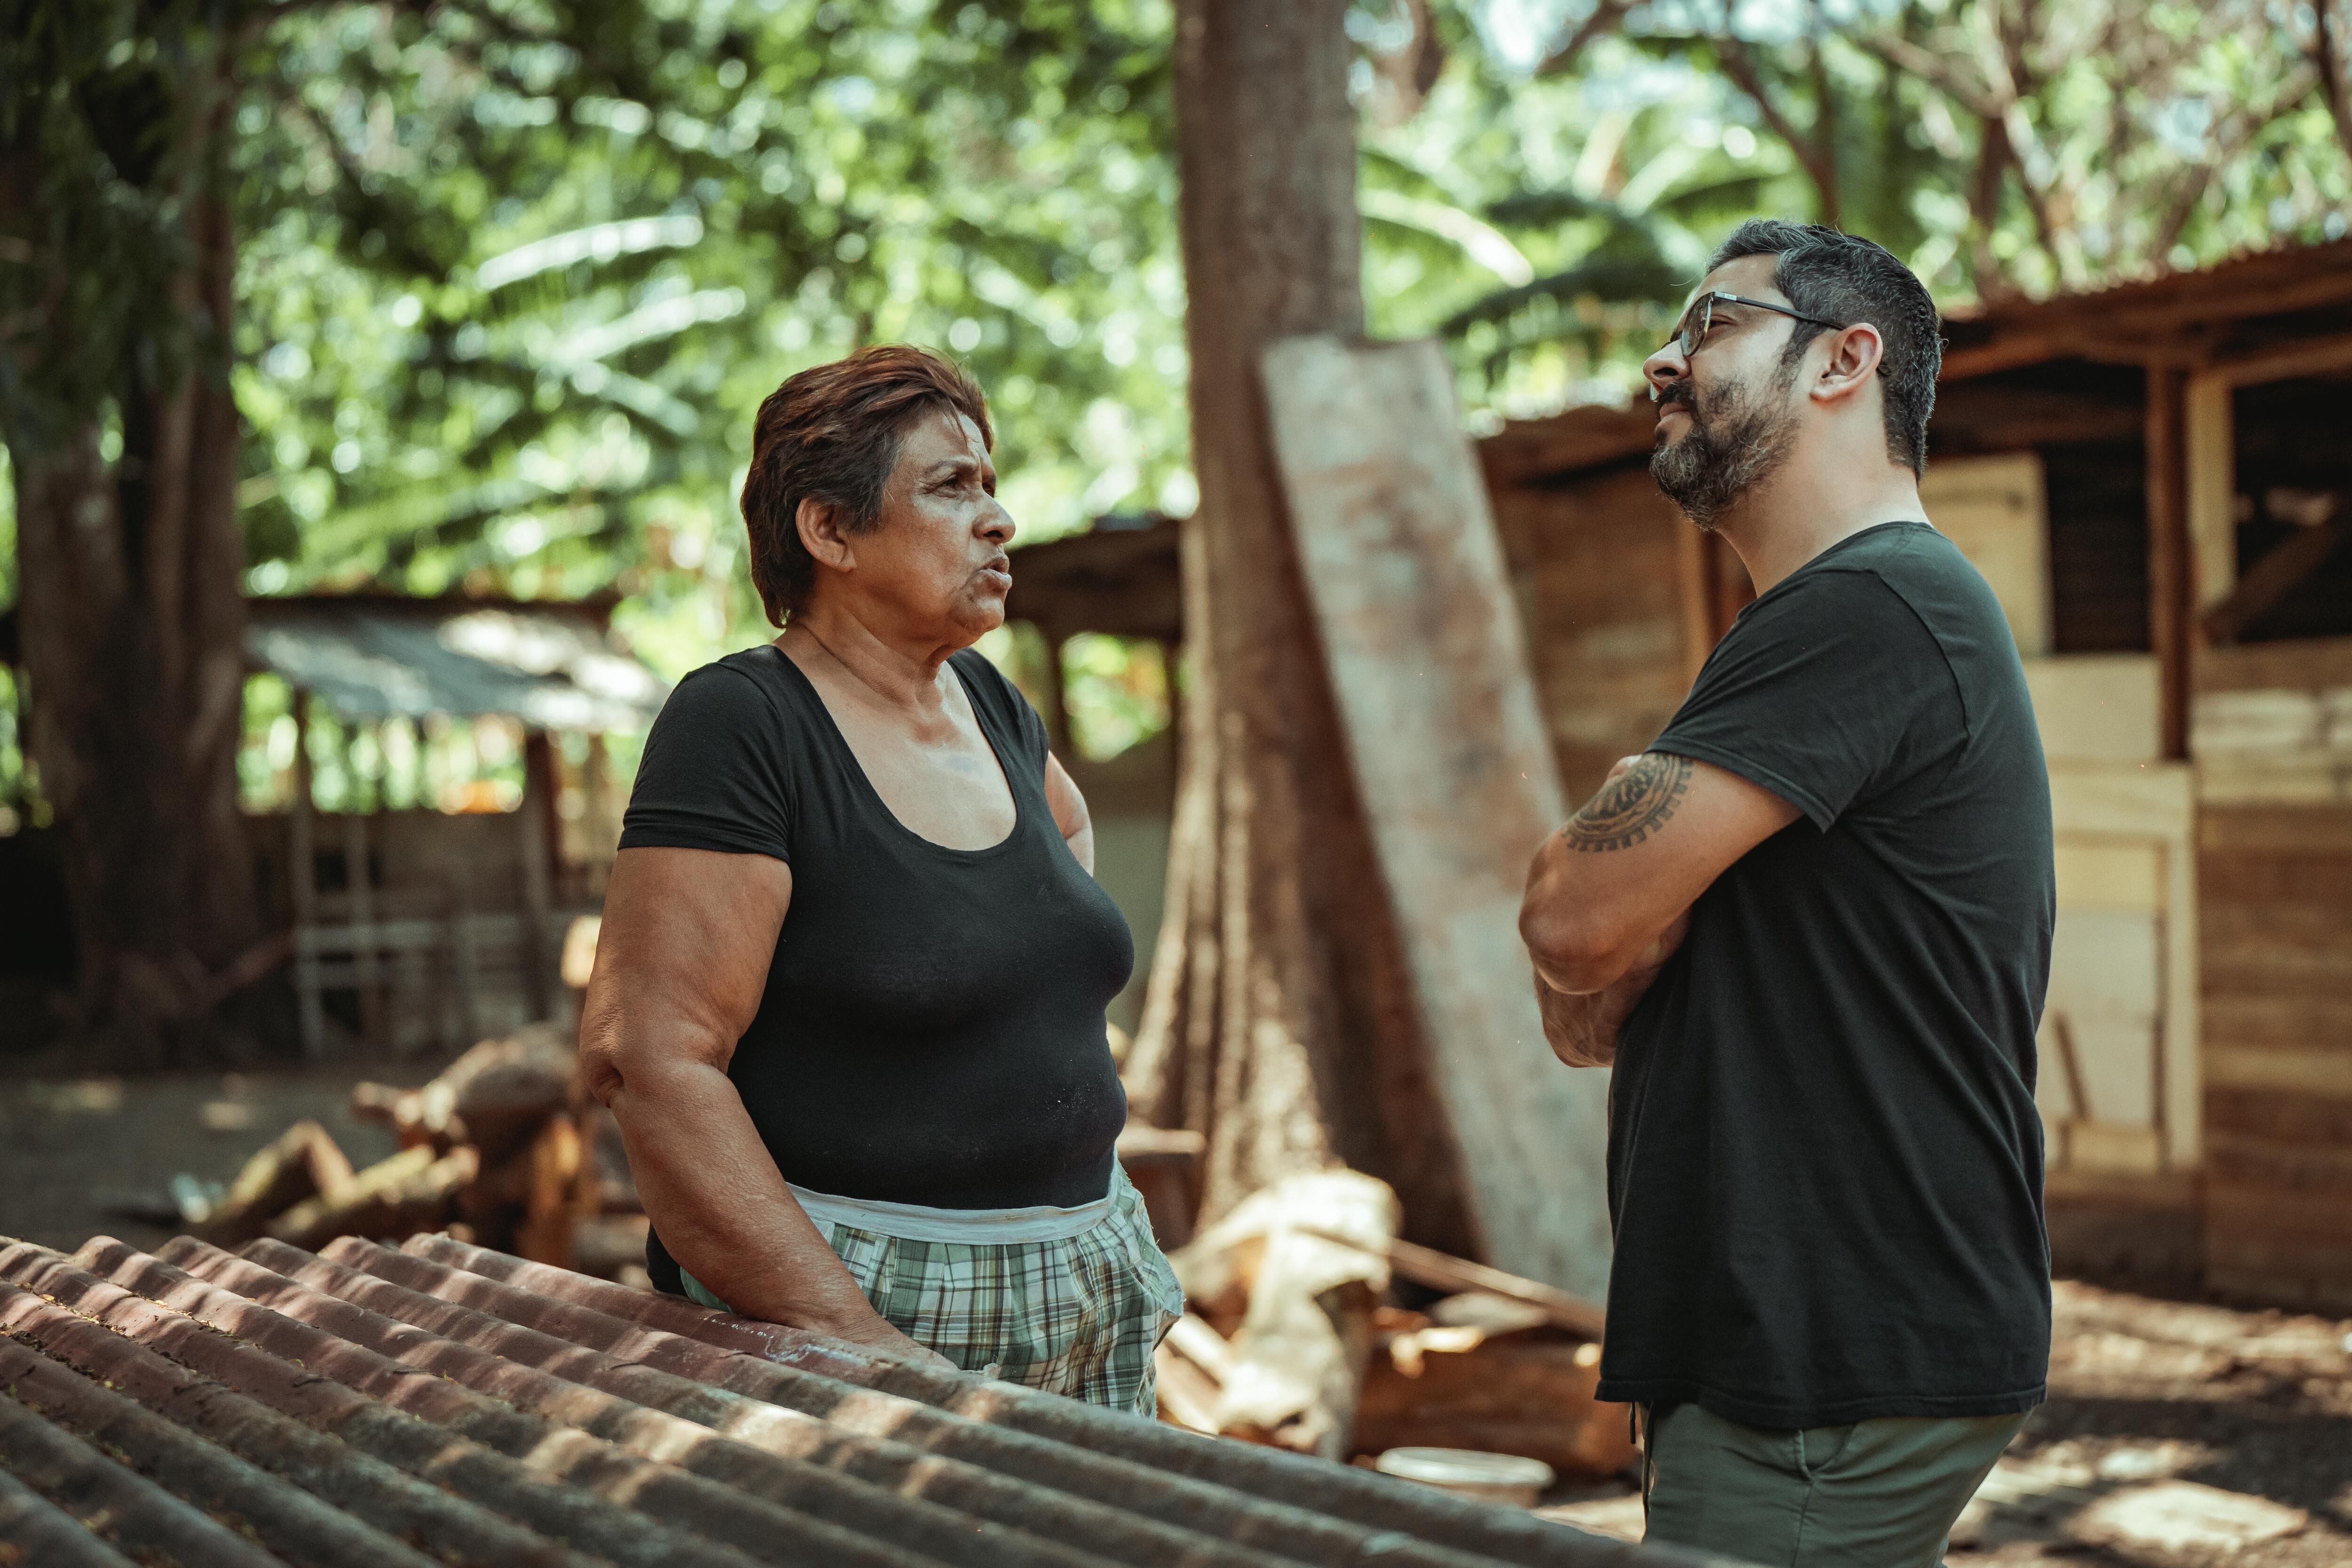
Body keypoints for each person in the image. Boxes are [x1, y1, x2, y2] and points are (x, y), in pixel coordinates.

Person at [1518, 221, 2053, 1565]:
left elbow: (1569, 918)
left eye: (1711, 324)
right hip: (1817, 1348)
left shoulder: (1871, 602)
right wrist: (1623, 911)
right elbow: (1583, 1008)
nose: (1663, 359)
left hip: (1827, 1356)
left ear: (1844, 361)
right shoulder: (1822, 620)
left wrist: (1624, 891)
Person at [579, 345, 1182, 1415]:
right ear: (830, 530)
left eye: (991, 486)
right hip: (869, 1293)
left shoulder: (990, 707)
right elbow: (650, 1058)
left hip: (1087, 1277)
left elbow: (1062, 847)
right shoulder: (744, 723)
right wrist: (847, 1331)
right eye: (951, 486)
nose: (996, 518)